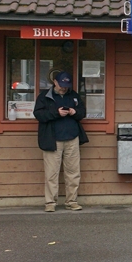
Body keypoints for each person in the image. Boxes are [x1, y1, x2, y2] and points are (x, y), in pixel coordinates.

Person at [33, 70, 88, 212]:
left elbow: (82, 112)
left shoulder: (74, 95)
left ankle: (72, 201)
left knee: (73, 172)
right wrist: (56, 113)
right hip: (53, 139)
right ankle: (50, 203)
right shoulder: (44, 96)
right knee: (51, 173)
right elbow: (38, 114)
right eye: (62, 84)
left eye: (67, 85)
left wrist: (75, 112)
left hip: (72, 138)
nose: (64, 87)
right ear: (55, 82)